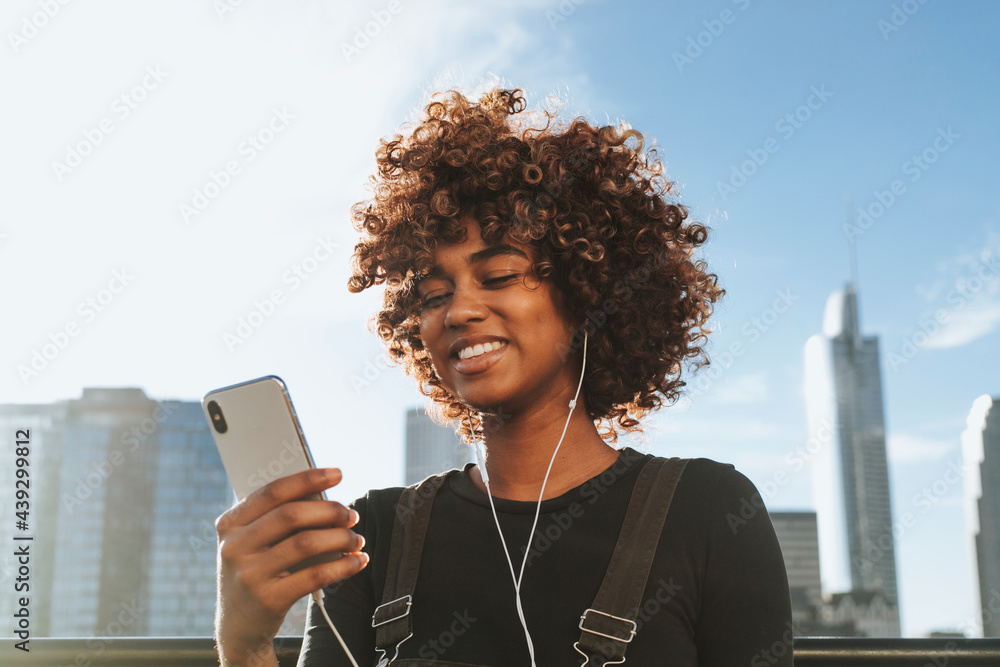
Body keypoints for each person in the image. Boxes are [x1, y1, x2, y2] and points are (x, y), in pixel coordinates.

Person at [214, 87, 793, 667]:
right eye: (434, 294)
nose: (458, 310)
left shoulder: (708, 511)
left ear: (585, 295)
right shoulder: (375, 537)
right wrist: (245, 644)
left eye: (497, 275)